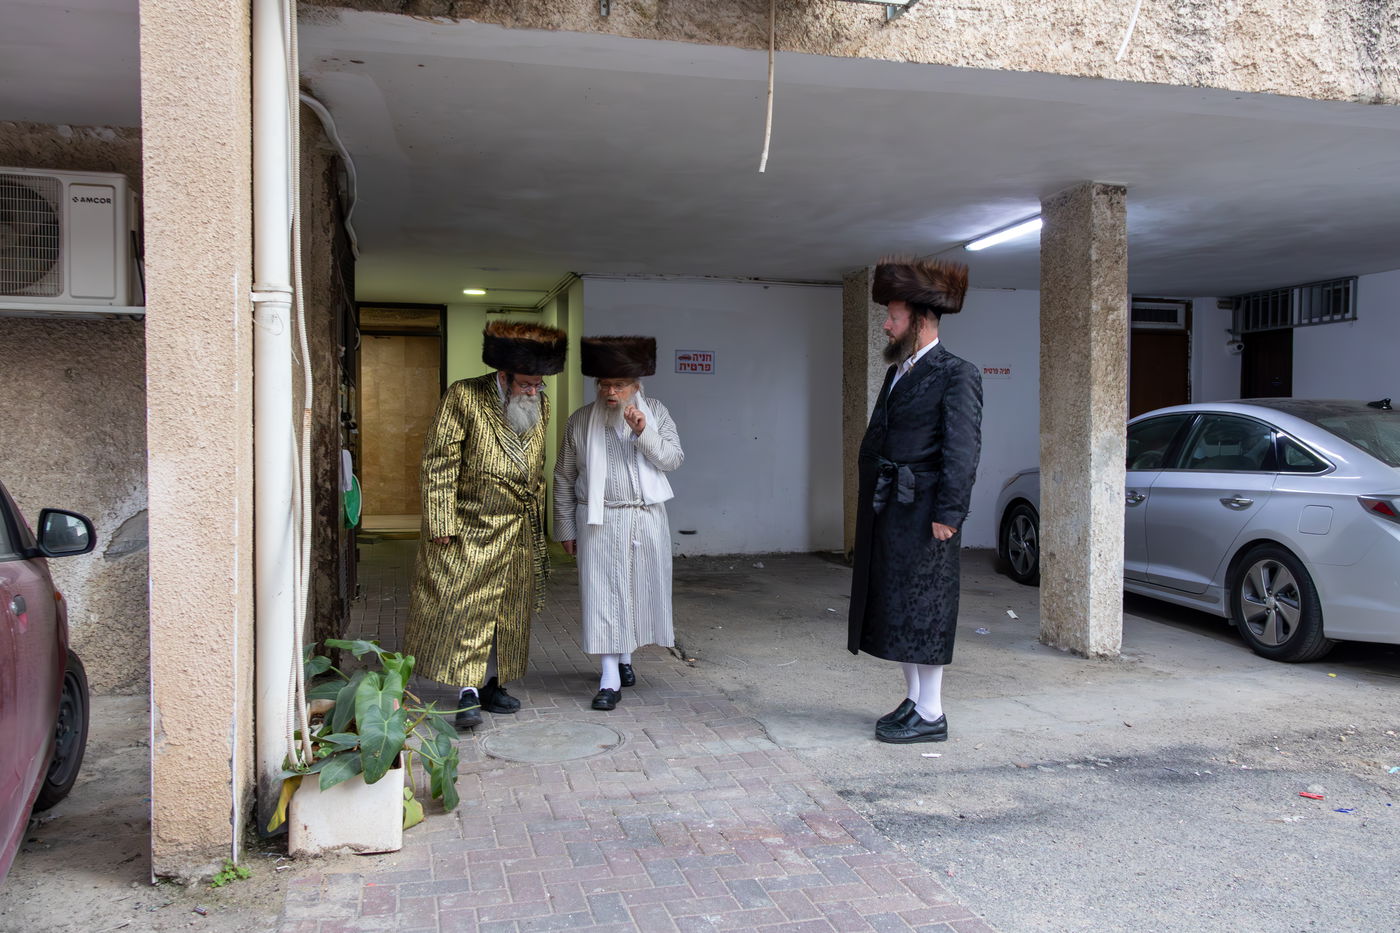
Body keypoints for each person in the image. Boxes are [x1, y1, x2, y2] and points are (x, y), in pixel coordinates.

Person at [405, 319, 567, 729]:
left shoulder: (541, 404)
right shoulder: (464, 395)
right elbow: (438, 461)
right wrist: (440, 521)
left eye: (538, 385)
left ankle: (495, 682)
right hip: (469, 525)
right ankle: (466, 692)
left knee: (509, 612)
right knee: (464, 610)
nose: (533, 391)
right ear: (504, 375)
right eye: (526, 384)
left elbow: (535, 464)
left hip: (518, 528)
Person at [848, 257, 982, 744]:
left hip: (927, 510)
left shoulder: (957, 373)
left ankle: (932, 713)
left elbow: (963, 450)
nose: (886, 324)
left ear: (920, 321)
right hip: (893, 507)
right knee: (900, 607)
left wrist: (949, 514)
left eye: (894, 317)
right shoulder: (899, 372)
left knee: (927, 608)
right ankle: (914, 700)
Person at [553, 336, 684, 711]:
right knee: (603, 595)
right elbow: (563, 476)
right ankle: (609, 677)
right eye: (604, 384)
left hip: (645, 518)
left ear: (636, 386)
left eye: (619, 385)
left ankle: (625, 657)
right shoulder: (580, 419)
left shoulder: (656, 411)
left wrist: (645, 432)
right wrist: (565, 526)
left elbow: (673, 460)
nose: (611, 392)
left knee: (638, 591)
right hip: (598, 519)